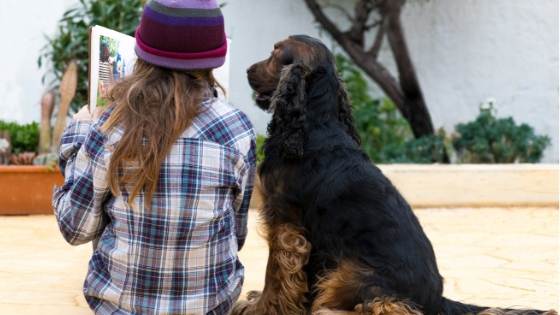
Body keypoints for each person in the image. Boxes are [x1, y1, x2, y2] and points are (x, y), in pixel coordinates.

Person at [52, 1, 256, 314]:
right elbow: (237, 235)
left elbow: (75, 228)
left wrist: (79, 132)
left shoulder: (112, 124)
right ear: (216, 58)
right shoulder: (237, 129)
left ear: (142, 54)